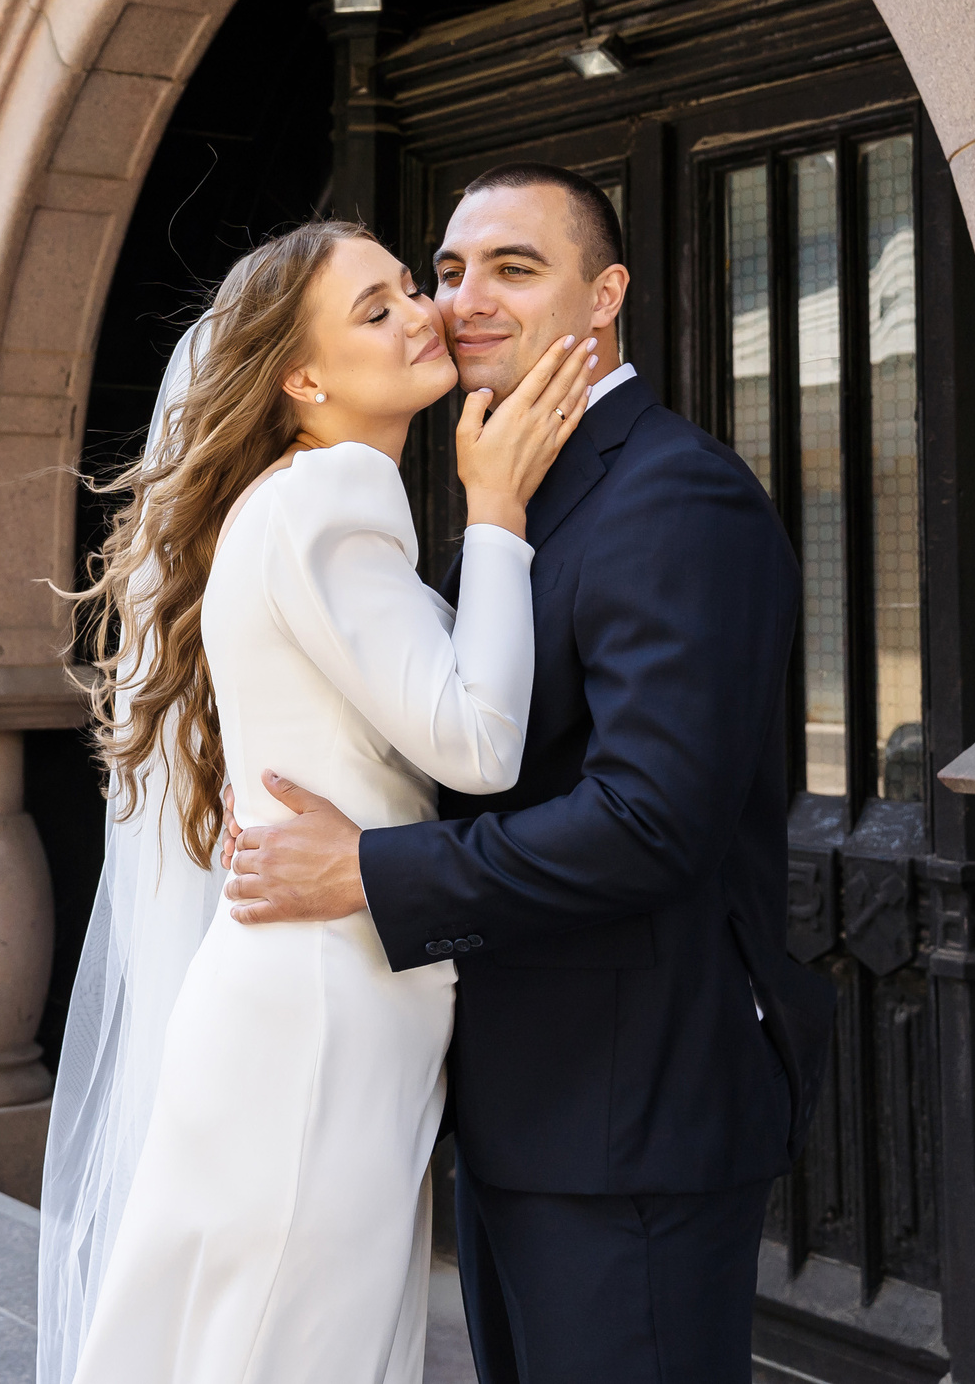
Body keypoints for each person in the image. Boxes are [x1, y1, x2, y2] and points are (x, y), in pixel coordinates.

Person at [226, 164, 834, 1384]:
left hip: (632, 1113)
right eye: (447, 272)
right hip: (519, 1102)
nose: (464, 299)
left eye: (515, 267)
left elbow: (647, 820)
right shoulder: (503, 496)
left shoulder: (676, 494)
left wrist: (368, 870)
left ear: (605, 294)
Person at [40, 218, 596, 1383]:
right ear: (301, 377)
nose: (423, 315)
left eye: (410, 289)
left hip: (305, 1004)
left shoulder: (289, 501)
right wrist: (496, 514)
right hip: (318, 1023)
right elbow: (480, 743)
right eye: (377, 309)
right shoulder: (334, 493)